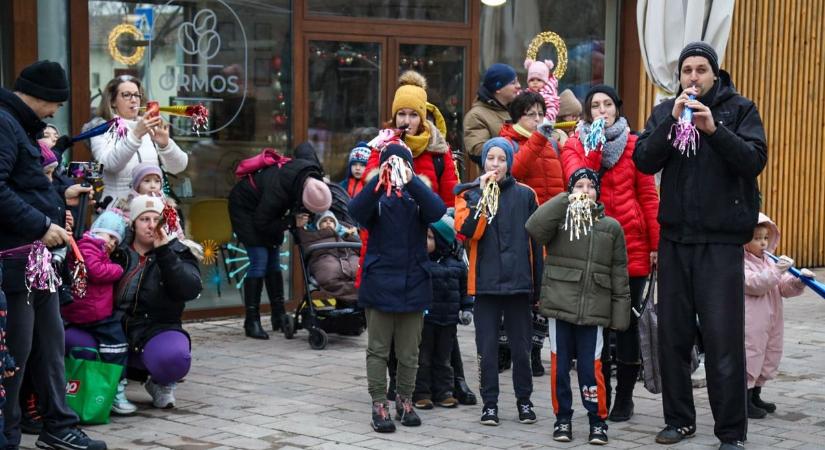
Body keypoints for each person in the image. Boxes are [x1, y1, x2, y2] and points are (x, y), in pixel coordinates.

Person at [633, 42, 768, 450]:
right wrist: (671, 124)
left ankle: (730, 432)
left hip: (721, 242)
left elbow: (753, 160)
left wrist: (714, 130)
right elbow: (643, 160)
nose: (693, 77)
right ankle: (679, 421)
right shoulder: (665, 111)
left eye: (701, 70)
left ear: (715, 74)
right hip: (675, 240)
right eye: (687, 70)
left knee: (722, 338)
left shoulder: (739, 109)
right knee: (672, 338)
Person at [0, 60, 106, 450]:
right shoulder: (5, 123)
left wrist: (61, 195)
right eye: (55, 103)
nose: (56, 112)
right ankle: (7, 436)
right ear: (40, 96)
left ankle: (58, 426)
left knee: (49, 346)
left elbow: (24, 185)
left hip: (35, 261)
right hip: (15, 258)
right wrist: (40, 225)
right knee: (17, 354)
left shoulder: (18, 126)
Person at [560, 84, 660, 422]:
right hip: (591, 247)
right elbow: (579, 178)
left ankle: (625, 398)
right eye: (595, 106)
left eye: (607, 105)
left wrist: (656, 245)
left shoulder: (635, 145)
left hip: (632, 246)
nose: (602, 111)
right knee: (596, 324)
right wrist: (595, 142)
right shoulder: (576, 144)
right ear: (587, 113)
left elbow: (647, 195)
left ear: (617, 108)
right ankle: (597, 392)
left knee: (627, 324)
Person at [67, 194, 202, 411]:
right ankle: (94, 386)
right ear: (133, 223)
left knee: (174, 358)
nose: (151, 226)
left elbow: (189, 289)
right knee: (71, 339)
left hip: (154, 328)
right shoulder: (115, 248)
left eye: (156, 220)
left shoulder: (178, 250)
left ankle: (160, 383)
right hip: (109, 325)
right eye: (144, 219)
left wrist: (164, 252)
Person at [525, 168, 630, 445]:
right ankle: (563, 418)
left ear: (598, 191)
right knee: (559, 369)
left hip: (593, 311)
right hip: (560, 307)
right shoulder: (561, 219)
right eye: (579, 186)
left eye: (590, 186)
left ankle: (597, 420)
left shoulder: (611, 227)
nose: (585, 191)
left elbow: (619, 273)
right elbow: (534, 227)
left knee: (591, 369)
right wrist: (564, 198)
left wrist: (619, 315)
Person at [348, 144, 446, 433]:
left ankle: (405, 400)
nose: (396, 168)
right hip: (380, 282)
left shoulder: (417, 196)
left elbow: (438, 210)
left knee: (409, 352)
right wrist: (381, 179)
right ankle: (380, 404)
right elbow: (355, 211)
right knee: (378, 349)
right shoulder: (375, 196)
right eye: (390, 163)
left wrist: (411, 179)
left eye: (401, 163)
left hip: (414, 282)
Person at [454, 137, 541, 427]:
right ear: (482, 163)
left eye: (501, 159)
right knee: (486, 348)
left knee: (521, 348)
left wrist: (538, 287)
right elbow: (468, 232)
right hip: (486, 285)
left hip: (519, 285)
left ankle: (524, 401)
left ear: (509, 162)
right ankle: (489, 404)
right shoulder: (468, 194)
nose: (495, 165)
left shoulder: (526, 195)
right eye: (490, 159)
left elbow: (537, 243)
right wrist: (480, 196)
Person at [228, 147, 331, 339]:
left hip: (266, 211)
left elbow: (305, 148)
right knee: (260, 260)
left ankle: (278, 316)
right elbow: (261, 222)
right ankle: (252, 321)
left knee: (274, 260)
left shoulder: (310, 178)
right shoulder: (278, 191)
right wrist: (291, 221)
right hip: (245, 208)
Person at [498, 91, 566, 377]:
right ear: (517, 117)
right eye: (530, 114)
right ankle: (506, 350)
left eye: (540, 113)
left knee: (542, 292)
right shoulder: (509, 141)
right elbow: (515, 170)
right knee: (518, 290)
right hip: (523, 226)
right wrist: (538, 138)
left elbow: (559, 180)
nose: (537, 119)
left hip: (550, 226)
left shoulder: (549, 142)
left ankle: (535, 350)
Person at [60, 211, 137, 415]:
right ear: (96, 231)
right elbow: (94, 270)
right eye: (109, 235)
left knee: (110, 347)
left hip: (92, 312)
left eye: (116, 240)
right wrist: (117, 269)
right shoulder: (87, 246)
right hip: (92, 314)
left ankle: (108, 388)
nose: (111, 242)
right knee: (117, 346)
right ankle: (115, 389)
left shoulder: (94, 248)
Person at [743, 213, 812, 419]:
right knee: (751, 355)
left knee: (769, 353)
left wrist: (799, 281)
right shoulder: (740, 262)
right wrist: (777, 269)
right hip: (751, 321)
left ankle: (756, 394)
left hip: (772, 319)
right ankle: (743, 400)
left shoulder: (767, 261)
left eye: (765, 237)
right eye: (757, 238)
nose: (763, 243)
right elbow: (756, 284)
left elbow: (782, 287)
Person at [364, 71, 458, 206]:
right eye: (401, 114)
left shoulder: (438, 150)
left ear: (422, 119)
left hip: (428, 226)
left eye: (414, 115)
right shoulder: (381, 145)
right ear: (395, 117)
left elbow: (450, 202)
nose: (406, 121)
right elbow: (367, 200)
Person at [88, 75, 188, 201]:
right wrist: (135, 135)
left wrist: (165, 145)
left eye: (137, 95)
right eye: (126, 95)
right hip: (119, 207)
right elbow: (109, 164)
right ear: (112, 102)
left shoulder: (149, 125)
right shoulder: (102, 128)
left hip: (152, 207)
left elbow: (179, 167)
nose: (134, 100)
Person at [413, 215, 473, 410]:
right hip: (426, 319)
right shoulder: (420, 263)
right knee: (423, 357)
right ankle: (421, 392)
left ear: (441, 241)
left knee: (444, 358)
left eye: (430, 238)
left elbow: (465, 289)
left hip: (449, 320)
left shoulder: (456, 264)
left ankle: (444, 392)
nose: (425, 241)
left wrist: (467, 308)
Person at [294, 210, 359, 302]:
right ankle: (357, 296)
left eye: (331, 221)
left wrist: (351, 236)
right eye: (324, 221)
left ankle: (355, 298)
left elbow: (360, 248)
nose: (328, 222)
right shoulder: (312, 236)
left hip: (349, 258)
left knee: (364, 272)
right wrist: (300, 227)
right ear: (317, 225)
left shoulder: (346, 234)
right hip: (325, 259)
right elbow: (303, 239)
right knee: (329, 272)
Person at [463, 63, 520, 165]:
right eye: (513, 83)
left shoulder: (519, 109)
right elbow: (477, 151)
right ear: (498, 88)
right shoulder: (476, 116)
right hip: (497, 178)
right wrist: (516, 148)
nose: (518, 86)